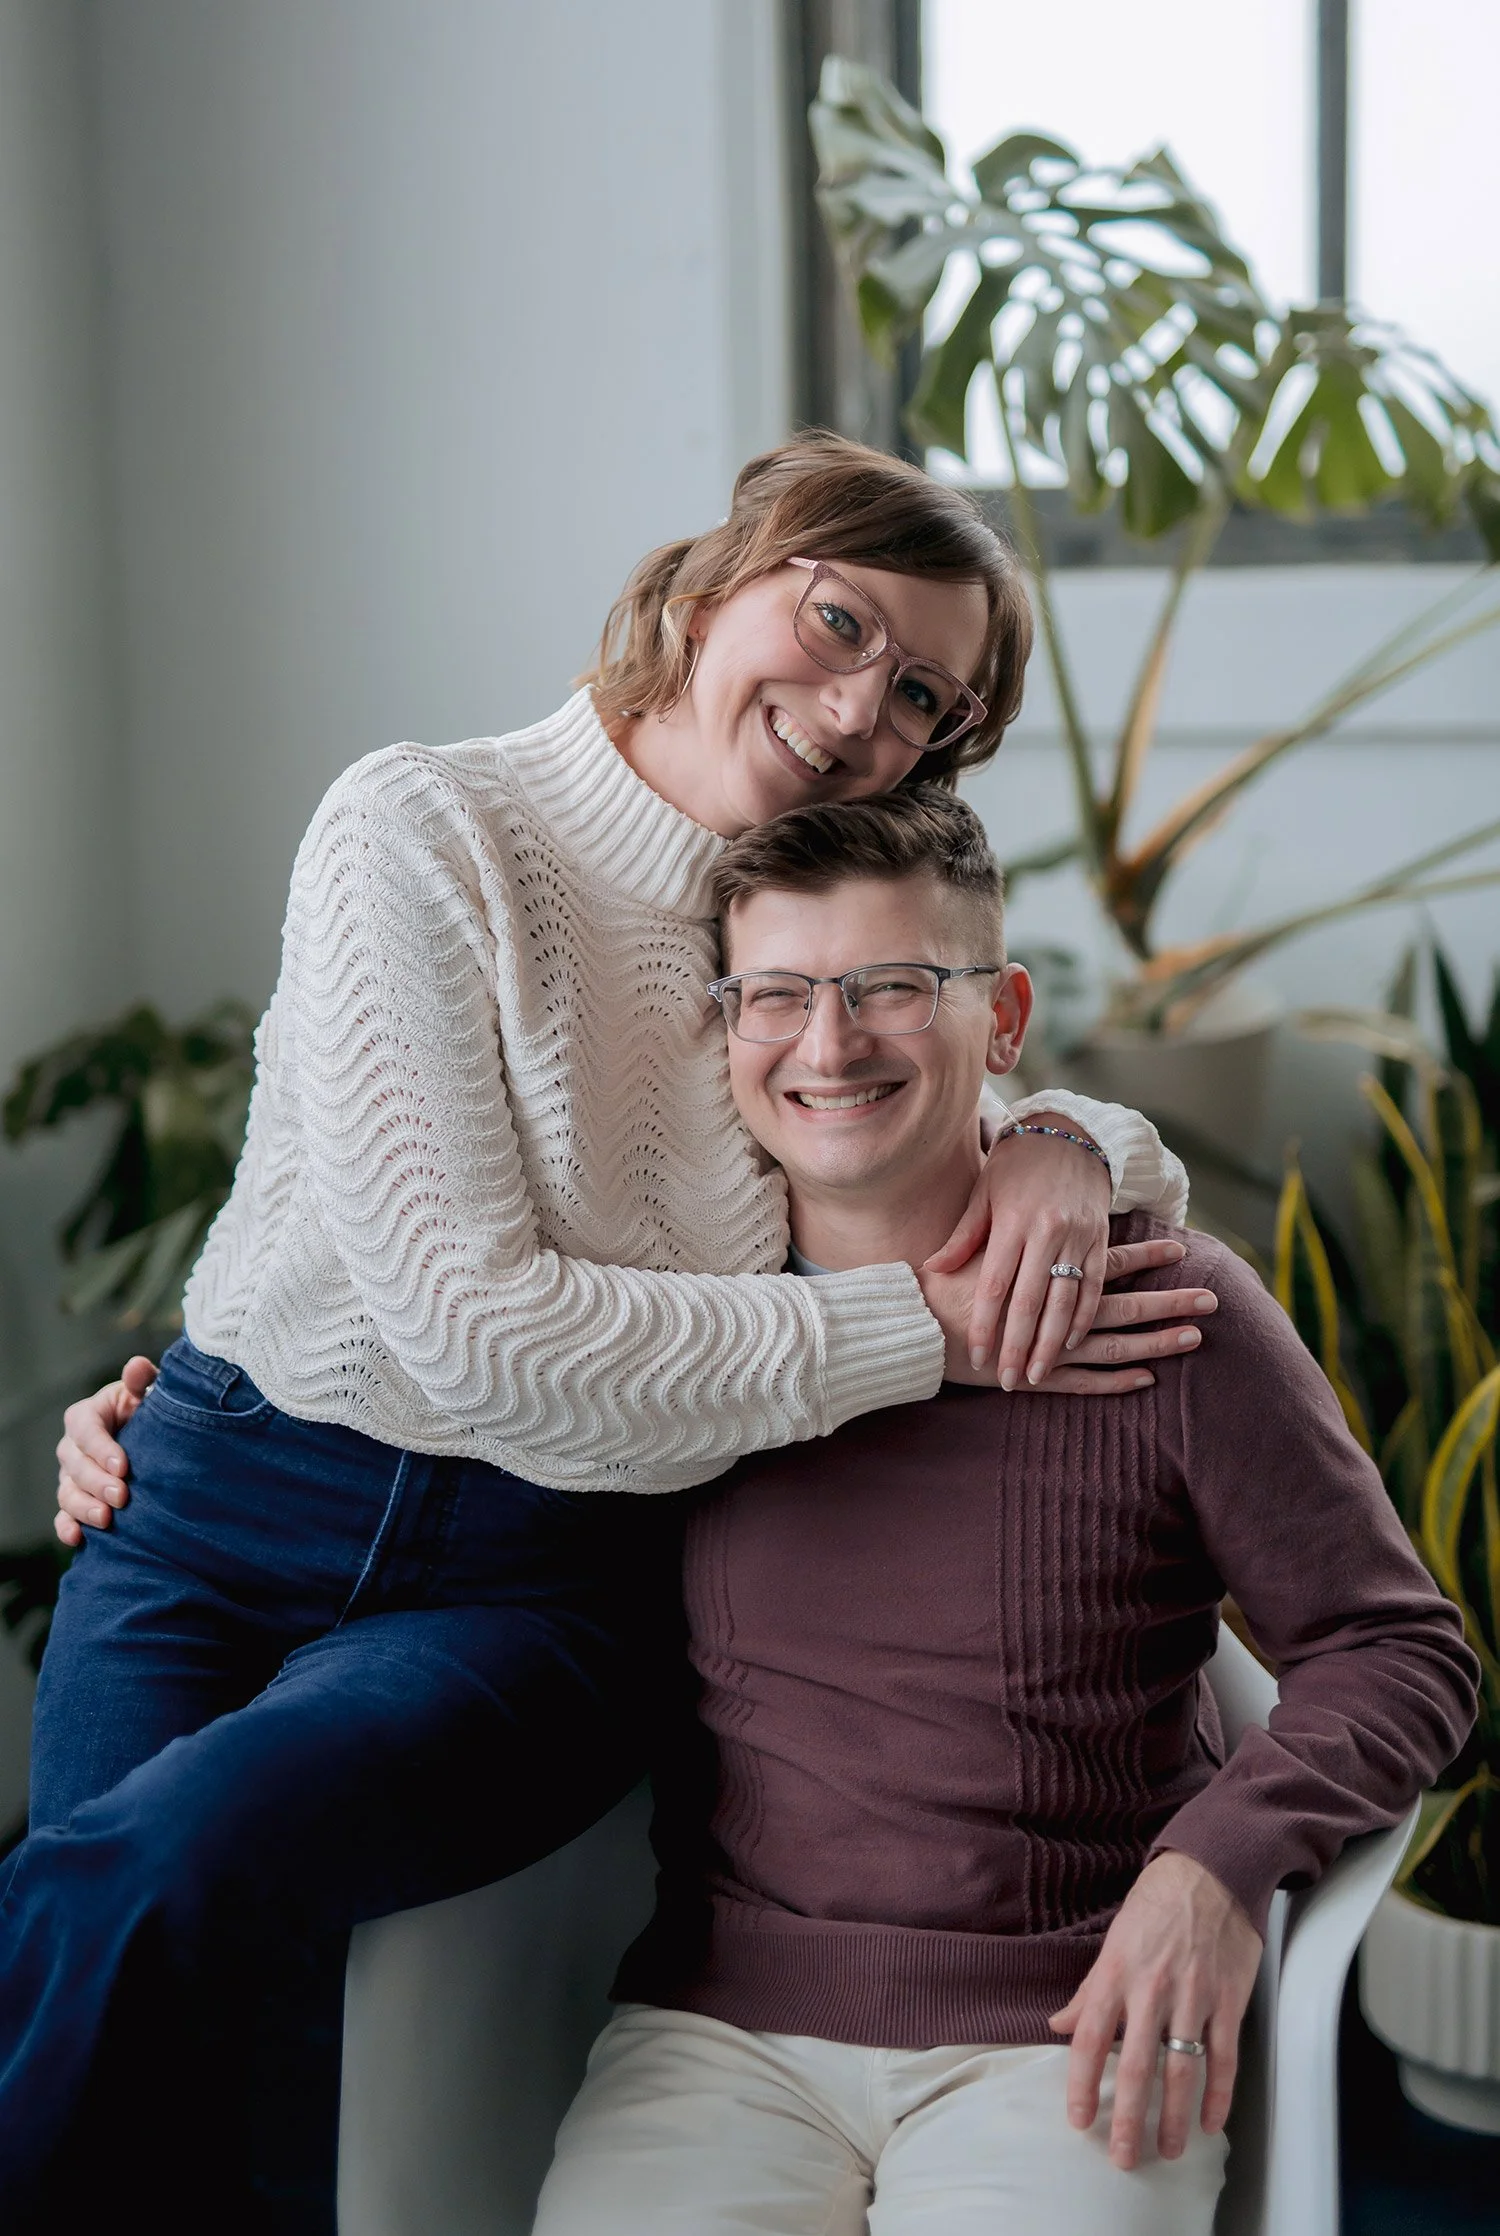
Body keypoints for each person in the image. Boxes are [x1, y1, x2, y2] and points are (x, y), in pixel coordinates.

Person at [15, 436, 1208, 2232]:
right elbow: (472, 1327)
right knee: (143, 2024)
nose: (857, 707)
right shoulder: (422, 825)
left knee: (172, 1864)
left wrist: (1065, 1139)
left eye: (922, 702)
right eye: (837, 621)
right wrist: (920, 1335)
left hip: (542, 1581)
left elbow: (972, 1092)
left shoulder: (779, 942)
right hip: (211, 1505)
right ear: (728, 571)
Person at [530, 788, 1478, 2236]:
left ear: (1004, 1016)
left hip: (1066, 2021)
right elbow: (423, 1410)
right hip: (721, 2028)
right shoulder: (674, 1329)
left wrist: (1212, 1869)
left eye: (892, 988)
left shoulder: (1170, 1310)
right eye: (775, 995)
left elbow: (1403, 1650)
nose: (828, 1045)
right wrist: (151, 1419)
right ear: (728, 1032)